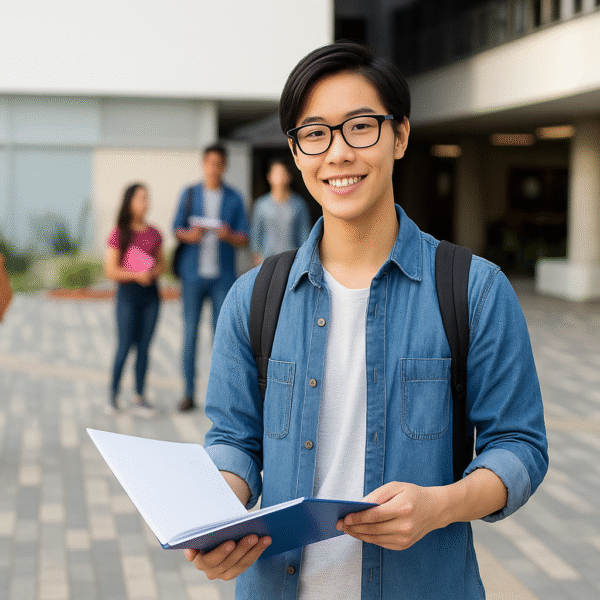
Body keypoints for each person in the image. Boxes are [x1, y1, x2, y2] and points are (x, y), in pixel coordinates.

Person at [184, 42, 548, 599]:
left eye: (360, 127)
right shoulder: (253, 297)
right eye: (315, 133)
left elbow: (520, 445)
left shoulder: (474, 290)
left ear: (399, 135)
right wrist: (217, 515)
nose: (338, 153)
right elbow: (235, 441)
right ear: (296, 152)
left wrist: (441, 505)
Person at [172, 143, 249, 412]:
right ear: (203, 164)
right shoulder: (190, 194)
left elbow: (244, 238)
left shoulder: (234, 198)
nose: (214, 168)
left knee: (223, 338)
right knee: (189, 333)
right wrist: (189, 235)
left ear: (224, 166)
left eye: (219, 163)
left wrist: (228, 235)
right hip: (192, 275)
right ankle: (188, 392)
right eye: (210, 163)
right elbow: (176, 228)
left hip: (222, 277)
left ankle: (221, 396)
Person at [104, 183, 166, 415]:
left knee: (144, 348)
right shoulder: (119, 232)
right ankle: (113, 395)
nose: (146, 203)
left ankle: (140, 396)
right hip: (127, 297)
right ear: (129, 201)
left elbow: (162, 264)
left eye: (147, 198)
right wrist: (135, 275)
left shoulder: (154, 233)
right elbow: (110, 270)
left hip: (150, 297)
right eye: (141, 198)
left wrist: (151, 273)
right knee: (124, 346)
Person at [250, 157, 311, 265]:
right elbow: (255, 232)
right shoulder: (261, 205)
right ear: (269, 177)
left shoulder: (299, 204)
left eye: (283, 173)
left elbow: (304, 234)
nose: (280, 177)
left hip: (292, 260)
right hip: (267, 259)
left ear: (289, 176)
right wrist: (257, 256)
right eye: (276, 173)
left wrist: (303, 259)